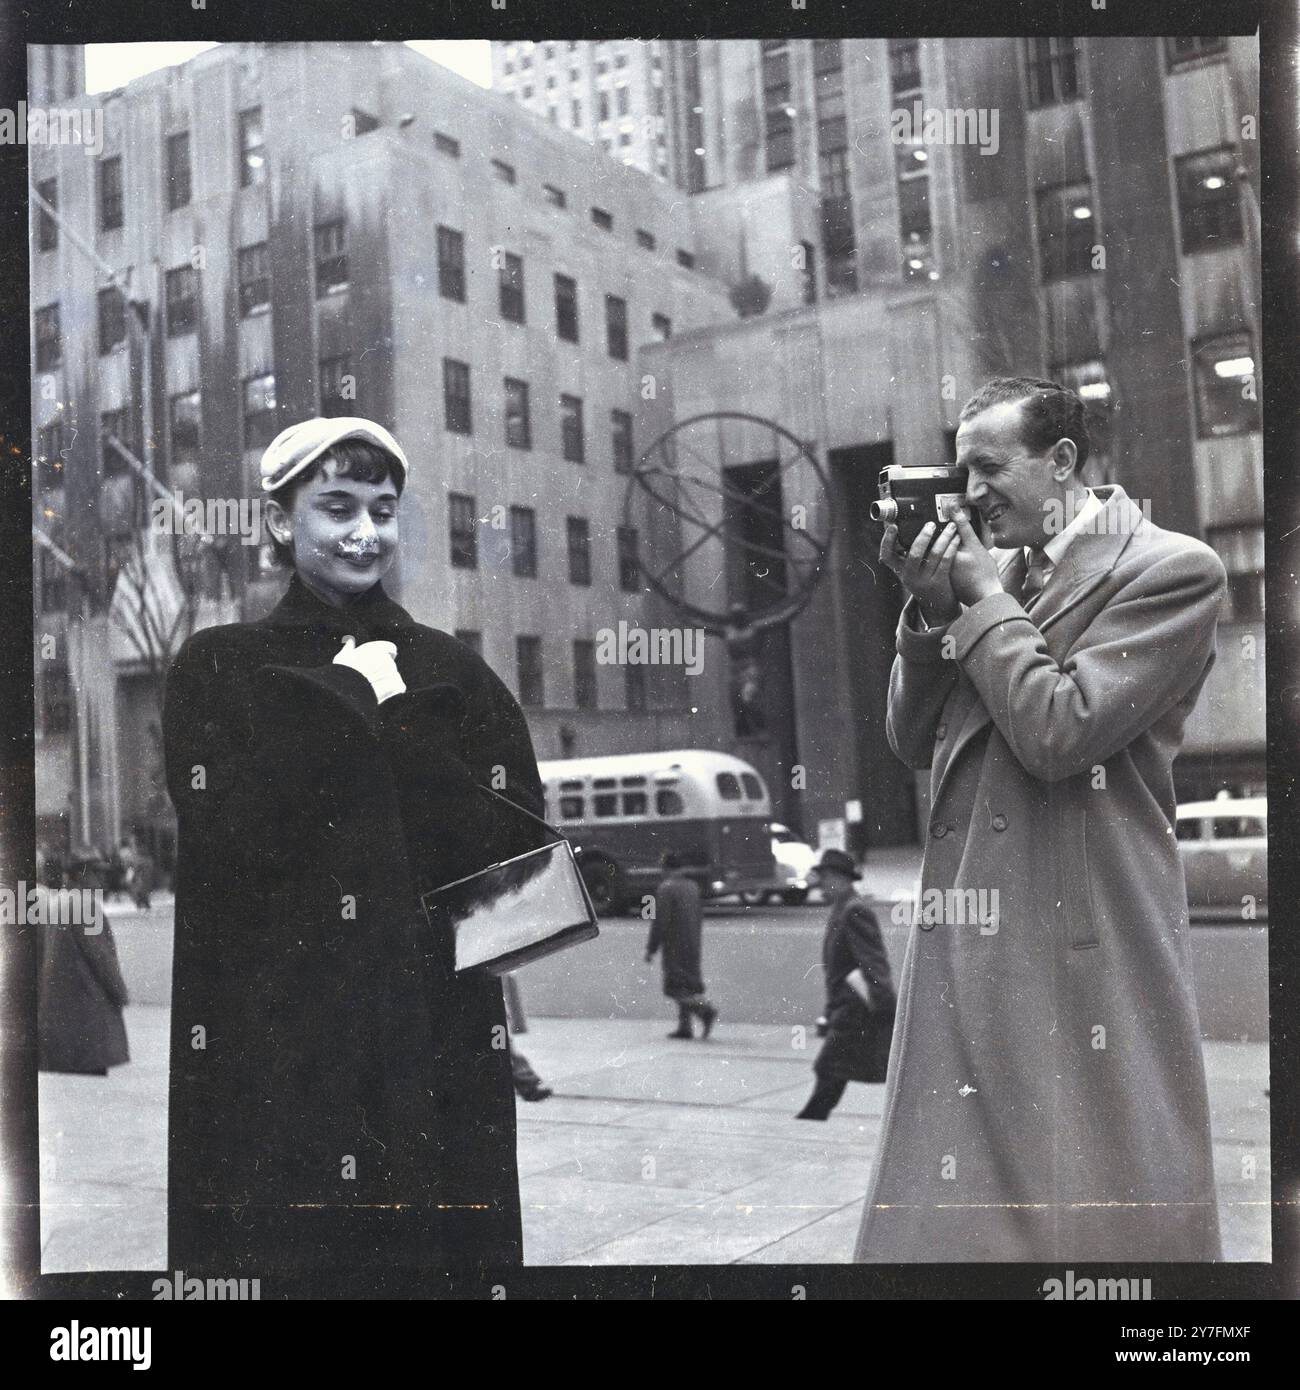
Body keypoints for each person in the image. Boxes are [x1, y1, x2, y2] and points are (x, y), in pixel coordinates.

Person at [162, 417, 546, 1280]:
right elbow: (224, 838)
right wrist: (347, 698)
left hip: (434, 1043)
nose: (365, 531)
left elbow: (515, 864)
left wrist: (395, 722)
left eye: (383, 507)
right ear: (278, 523)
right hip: (281, 1048)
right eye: (336, 506)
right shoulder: (218, 668)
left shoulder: (454, 671)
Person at [859, 377, 1226, 1263]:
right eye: (960, 469)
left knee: (1090, 1203)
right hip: (975, 932)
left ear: (1062, 461)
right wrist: (930, 613)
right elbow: (911, 741)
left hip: (1076, 934)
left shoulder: (1169, 569)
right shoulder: (1007, 573)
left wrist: (981, 596)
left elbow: (1062, 732)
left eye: (988, 467)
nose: (969, 492)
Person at [796, 849, 895, 1120]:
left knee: (829, 1069)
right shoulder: (843, 908)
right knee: (833, 1071)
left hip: (855, 1010)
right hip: (846, 1008)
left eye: (824, 880)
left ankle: (808, 1123)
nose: (820, 889)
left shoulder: (855, 910)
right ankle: (811, 1120)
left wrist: (884, 1003)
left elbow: (873, 961)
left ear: (840, 879)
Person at [646, 851, 717, 1039]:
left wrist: (651, 948)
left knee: (675, 987)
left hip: (674, 945)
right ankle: (685, 1027)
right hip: (693, 942)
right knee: (688, 984)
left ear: (667, 868)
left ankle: (705, 1011)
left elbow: (659, 922)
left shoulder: (666, 889)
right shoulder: (692, 887)